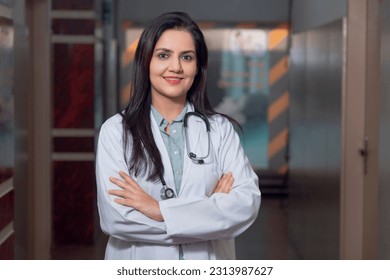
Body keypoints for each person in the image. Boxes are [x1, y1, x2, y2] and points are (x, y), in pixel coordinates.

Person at [96, 11, 261, 260]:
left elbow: (245, 205)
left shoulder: (220, 131)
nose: (176, 67)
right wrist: (209, 215)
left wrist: (157, 209)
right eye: (164, 55)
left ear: (198, 67)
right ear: (145, 62)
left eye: (187, 57)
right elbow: (117, 220)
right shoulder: (117, 131)